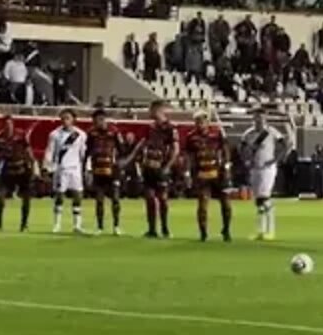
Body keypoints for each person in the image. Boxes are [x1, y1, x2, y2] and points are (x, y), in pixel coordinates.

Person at [129, 100, 179, 238]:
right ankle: (152, 229)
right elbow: (141, 144)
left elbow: (176, 150)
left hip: (161, 168)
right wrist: (131, 158)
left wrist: (168, 166)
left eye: (151, 110)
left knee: (162, 198)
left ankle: (165, 228)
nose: (149, 113)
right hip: (148, 167)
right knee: (150, 198)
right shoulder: (150, 128)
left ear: (158, 110)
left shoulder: (170, 128)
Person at [185, 110, 233, 242]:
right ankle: (203, 233)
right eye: (198, 122)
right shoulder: (191, 137)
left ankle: (226, 229)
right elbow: (188, 157)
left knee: (226, 204)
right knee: (203, 205)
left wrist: (227, 167)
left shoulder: (217, 134)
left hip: (218, 174)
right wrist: (187, 173)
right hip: (202, 175)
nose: (200, 124)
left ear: (207, 122)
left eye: (202, 121)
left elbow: (226, 150)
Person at [240, 108, 285, 241]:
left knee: (264, 198)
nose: (259, 120)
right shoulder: (248, 133)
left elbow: (285, 145)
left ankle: (269, 230)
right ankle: (261, 230)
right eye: (256, 117)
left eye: (261, 117)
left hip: (268, 168)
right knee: (258, 201)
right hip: (255, 168)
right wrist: (246, 160)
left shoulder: (271, 132)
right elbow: (241, 148)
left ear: (265, 118)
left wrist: (275, 159)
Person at [45, 108, 88, 234]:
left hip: (75, 169)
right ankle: (57, 224)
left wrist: (87, 168)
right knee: (59, 196)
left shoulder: (80, 135)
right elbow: (50, 151)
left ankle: (77, 225)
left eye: (67, 118)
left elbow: (83, 153)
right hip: (61, 169)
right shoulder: (55, 135)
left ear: (73, 119)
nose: (65, 121)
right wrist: (48, 168)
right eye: (63, 118)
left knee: (78, 196)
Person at [0, 116, 34, 232]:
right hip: (7, 171)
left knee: (26, 198)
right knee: (0, 198)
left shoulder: (20, 135)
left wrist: (32, 164)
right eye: (6, 124)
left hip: (22, 171)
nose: (9, 126)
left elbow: (28, 149)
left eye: (10, 124)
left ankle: (24, 225)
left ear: (13, 124)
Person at [85, 108, 125, 236]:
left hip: (112, 170)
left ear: (104, 119)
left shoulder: (114, 132)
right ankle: (100, 227)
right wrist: (87, 169)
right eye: (95, 121)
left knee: (115, 199)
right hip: (97, 170)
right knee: (99, 200)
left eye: (100, 120)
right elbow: (87, 152)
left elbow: (122, 150)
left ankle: (116, 226)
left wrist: (120, 166)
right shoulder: (91, 133)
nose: (98, 123)